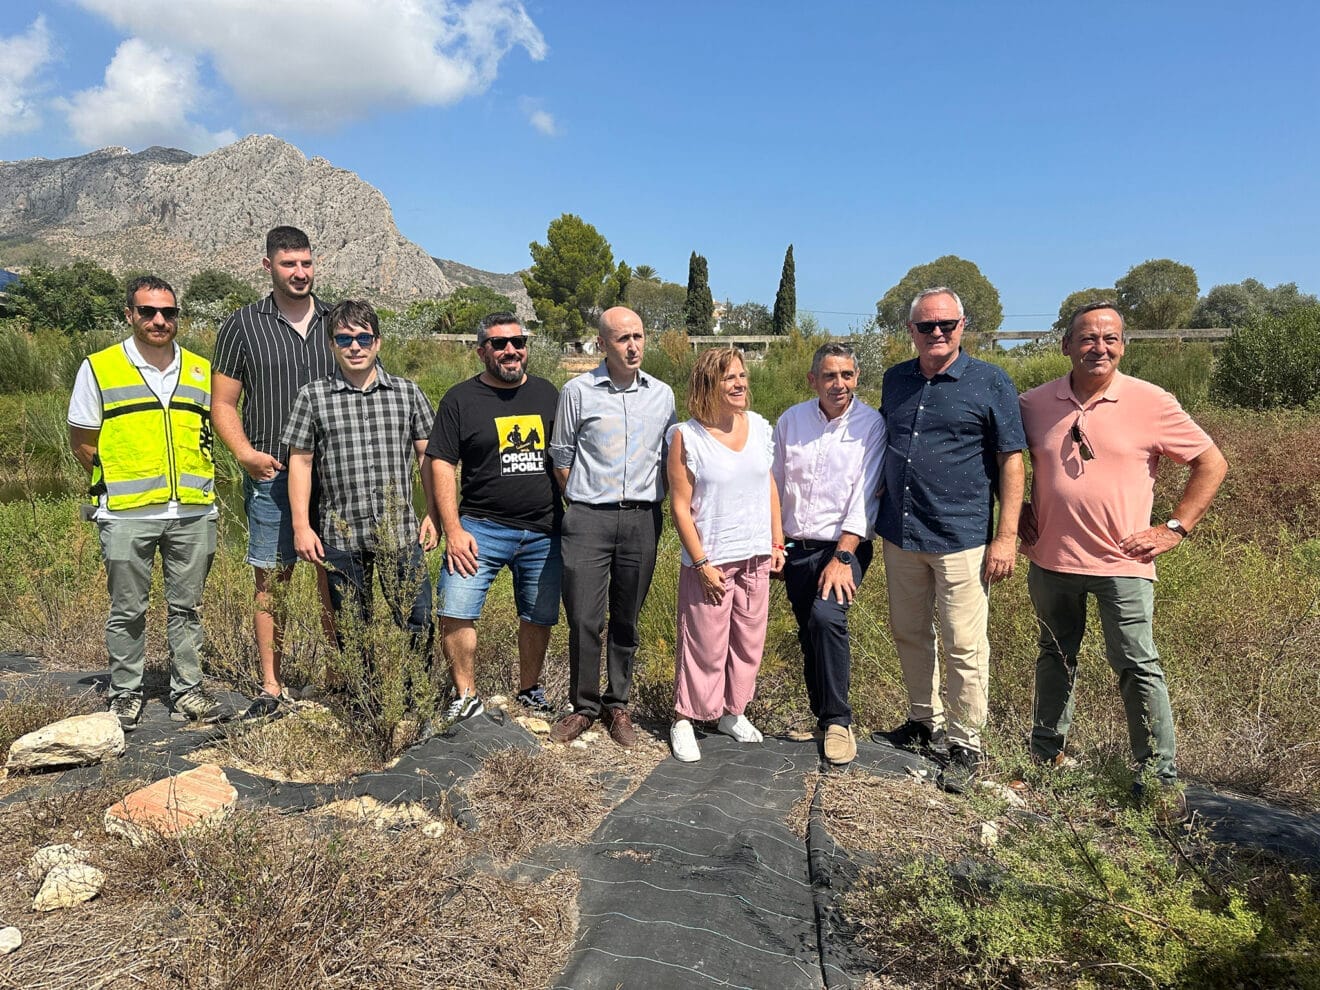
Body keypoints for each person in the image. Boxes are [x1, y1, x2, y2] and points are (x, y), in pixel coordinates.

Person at [1019, 301, 1227, 818]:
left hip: (1123, 564)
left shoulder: (1150, 401)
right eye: (1088, 338)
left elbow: (1211, 462)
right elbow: (1002, 460)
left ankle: (1157, 780)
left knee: (1137, 664)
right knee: (1055, 656)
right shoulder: (1033, 403)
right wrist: (1015, 510)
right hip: (1052, 559)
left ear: (1123, 347)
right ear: (1066, 345)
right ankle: (1045, 757)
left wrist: (1174, 528)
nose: (1100, 347)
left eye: (1110, 338)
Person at [874, 286, 1026, 793]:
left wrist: (1006, 536)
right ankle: (924, 721)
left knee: (964, 643)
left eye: (946, 324)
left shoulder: (990, 381)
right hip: (901, 532)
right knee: (909, 631)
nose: (936, 333)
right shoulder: (895, 379)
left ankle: (966, 742)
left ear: (963, 326)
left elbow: (1011, 460)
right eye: (926, 326)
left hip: (961, 536)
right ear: (911, 330)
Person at [67, 275, 232, 729]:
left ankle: (188, 690)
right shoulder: (100, 367)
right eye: (148, 311)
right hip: (126, 514)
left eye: (168, 312)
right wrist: (117, 480)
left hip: (193, 512)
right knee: (127, 610)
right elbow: (82, 439)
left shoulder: (200, 369)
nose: (159, 320)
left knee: (188, 609)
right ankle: (125, 693)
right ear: (130, 314)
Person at [213, 225, 337, 716]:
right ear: (269, 266)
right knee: (271, 580)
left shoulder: (337, 321)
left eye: (306, 263)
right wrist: (245, 454)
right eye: (289, 264)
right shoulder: (243, 325)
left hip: (334, 474)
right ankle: (271, 685)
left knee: (335, 578)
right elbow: (223, 403)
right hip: (273, 471)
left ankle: (340, 678)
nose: (300, 272)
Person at [283, 300, 439, 689]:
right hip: (341, 534)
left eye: (363, 338)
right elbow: (300, 463)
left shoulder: (407, 393)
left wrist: (434, 513)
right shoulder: (312, 397)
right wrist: (301, 526)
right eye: (344, 339)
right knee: (351, 626)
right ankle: (363, 702)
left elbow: (428, 457)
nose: (355, 346)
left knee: (418, 619)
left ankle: (414, 698)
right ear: (331, 345)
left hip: (400, 532)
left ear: (378, 342)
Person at [548, 307, 676, 747]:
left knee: (627, 617)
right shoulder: (577, 392)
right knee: (584, 617)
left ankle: (617, 703)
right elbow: (561, 457)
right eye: (623, 339)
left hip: (642, 519)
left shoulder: (662, 395)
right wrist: (585, 502)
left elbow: (670, 457)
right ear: (602, 344)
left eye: (638, 336)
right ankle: (584, 707)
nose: (633, 346)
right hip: (588, 518)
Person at [427, 312, 562, 722]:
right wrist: (452, 528)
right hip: (479, 528)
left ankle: (530, 690)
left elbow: (567, 457)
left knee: (538, 615)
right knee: (455, 606)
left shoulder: (548, 394)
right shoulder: (460, 399)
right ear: (482, 351)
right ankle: (466, 695)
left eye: (518, 342)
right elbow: (441, 463)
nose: (511, 351)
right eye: (500, 344)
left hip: (543, 529)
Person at [667, 348, 785, 762]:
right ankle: (685, 719)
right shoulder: (687, 436)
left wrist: (777, 541)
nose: (740, 384)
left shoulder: (759, 426)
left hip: (755, 554)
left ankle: (732, 713)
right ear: (707, 384)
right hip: (711, 559)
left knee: (748, 643)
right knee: (704, 644)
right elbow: (679, 506)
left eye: (742, 375)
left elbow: (768, 485)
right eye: (729, 377)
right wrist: (700, 563)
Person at [773, 342, 886, 765]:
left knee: (826, 617)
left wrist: (842, 558)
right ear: (813, 380)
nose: (839, 384)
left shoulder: (870, 425)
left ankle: (839, 721)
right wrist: (775, 543)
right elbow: (775, 483)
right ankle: (822, 718)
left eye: (847, 375)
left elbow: (865, 495)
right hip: (796, 546)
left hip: (844, 546)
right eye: (829, 375)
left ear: (856, 377)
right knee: (809, 631)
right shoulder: (791, 420)